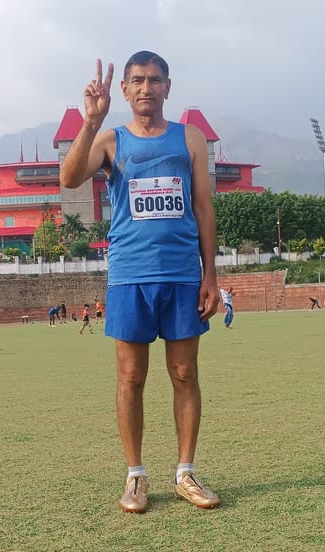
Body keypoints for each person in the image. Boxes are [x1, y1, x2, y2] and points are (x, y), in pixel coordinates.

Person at [61, 51, 220, 513]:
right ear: (125, 90)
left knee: (185, 373)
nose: (146, 87)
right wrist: (91, 121)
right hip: (130, 275)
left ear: (168, 86)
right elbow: (69, 178)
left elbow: (203, 207)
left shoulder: (189, 138)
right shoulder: (111, 139)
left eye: (154, 79)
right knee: (130, 377)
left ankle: (185, 473)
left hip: (182, 275)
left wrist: (210, 274)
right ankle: (135, 476)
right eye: (137, 80)